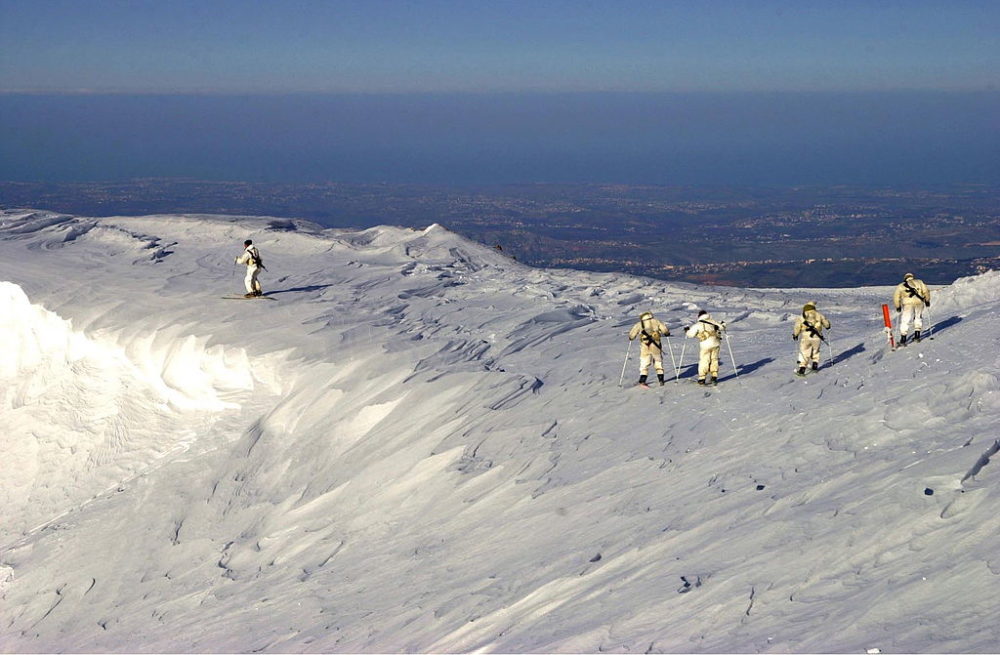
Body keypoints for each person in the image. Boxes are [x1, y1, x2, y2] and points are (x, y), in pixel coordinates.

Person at [628, 311, 670, 387]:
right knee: (658, 362)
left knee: (644, 363)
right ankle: (661, 380)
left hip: (645, 346)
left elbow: (632, 335)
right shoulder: (656, 321)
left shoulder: (639, 324)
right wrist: (666, 333)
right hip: (656, 346)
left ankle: (642, 380)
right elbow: (665, 330)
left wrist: (631, 338)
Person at [685, 309, 724, 385]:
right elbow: (722, 327)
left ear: (699, 316)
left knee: (704, 360)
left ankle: (702, 378)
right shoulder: (712, 321)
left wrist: (686, 331)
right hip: (716, 343)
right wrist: (723, 324)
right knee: (714, 359)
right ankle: (714, 376)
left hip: (705, 345)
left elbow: (690, 335)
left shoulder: (698, 325)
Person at [792, 302, 831, 375]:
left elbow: (797, 326)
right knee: (815, 351)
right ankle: (815, 365)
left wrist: (795, 335)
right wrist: (828, 327)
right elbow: (827, 324)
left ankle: (802, 369)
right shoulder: (819, 315)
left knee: (804, 352)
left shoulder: (802, 316)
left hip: (805, 336)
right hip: (817, 336)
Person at [892, 272, 930, 345]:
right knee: (918, 317)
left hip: (908, 304)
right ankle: (917, 336)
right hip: (919, 302)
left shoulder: (901, 286)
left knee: (905, 320)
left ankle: (903, 339)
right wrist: (927, 301)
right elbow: (926, 291)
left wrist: (898, 306)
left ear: (905, 278)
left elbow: (896, 297)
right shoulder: (920, 282)